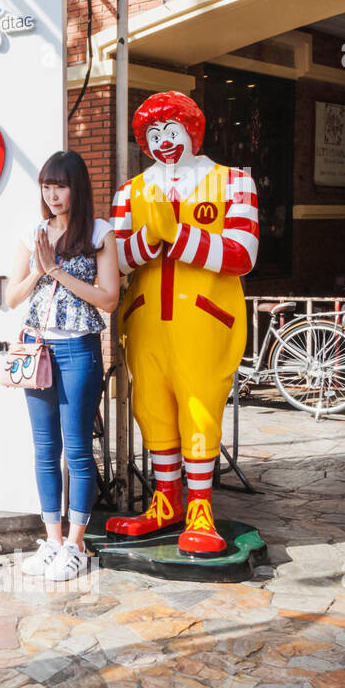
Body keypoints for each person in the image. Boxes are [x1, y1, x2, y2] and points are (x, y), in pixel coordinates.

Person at [106, 92, 259, 555]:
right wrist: (150, 241)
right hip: (147, 321)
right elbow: (116, 261)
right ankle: (164, 502)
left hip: (205, 322)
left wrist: (177, 234)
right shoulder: (130, 192)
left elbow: (242, 255)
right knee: (152, 408)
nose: (164, 142)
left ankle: (200, 510)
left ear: (193, 131)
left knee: (198, 408)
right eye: (153, 135)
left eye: (171, 131)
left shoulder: (233, 183)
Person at [4, 151, 120, 582]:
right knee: (44, 449)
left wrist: (56, 269)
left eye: (61, 186)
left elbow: (108, 299)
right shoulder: (32, 232)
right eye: (46, 186)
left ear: (77, 188)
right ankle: (52, 539)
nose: (52, 195)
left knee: (76, 449)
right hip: (37, 348)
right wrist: (39, 270)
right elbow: (11, 297)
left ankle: (76, 544)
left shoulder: (99, 234)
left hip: (78, 350)